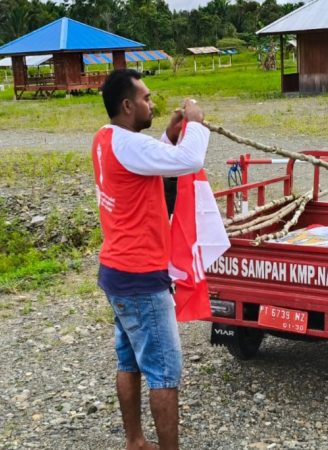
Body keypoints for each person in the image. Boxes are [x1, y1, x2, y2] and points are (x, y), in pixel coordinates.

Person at [91, 68, 209, 450]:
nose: (152, 103)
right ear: (127, 106)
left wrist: (169, 135)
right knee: (163, 372)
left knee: (129, 361)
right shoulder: (128, 146)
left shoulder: (107, 138)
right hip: (141, 276)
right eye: (145, 98)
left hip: (116, 270)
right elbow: (189, 161)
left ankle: (135, 440)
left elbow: (145, 158)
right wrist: (194, 123)